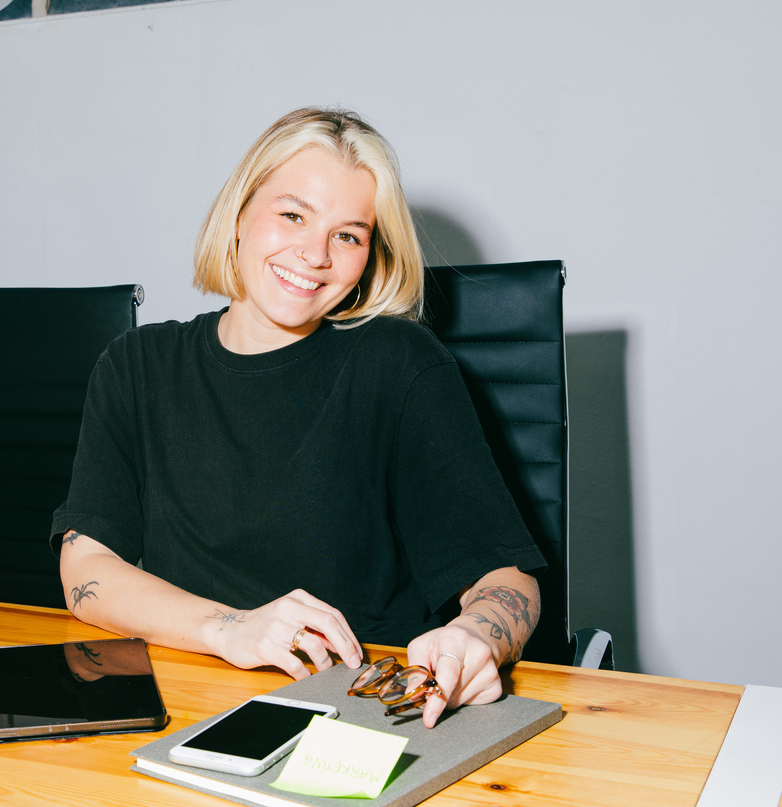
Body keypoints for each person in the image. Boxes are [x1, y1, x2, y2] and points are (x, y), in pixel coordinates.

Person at [50, 107, 545, 727]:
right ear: (238, 216)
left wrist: (478, 634)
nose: (315, 254)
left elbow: (509, 581)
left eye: (349, 235)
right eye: (293, 215)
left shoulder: (398, 364)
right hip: (186, 698)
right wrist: (232, 629)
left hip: (360, 712)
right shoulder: (137, 365)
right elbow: (86, 570)